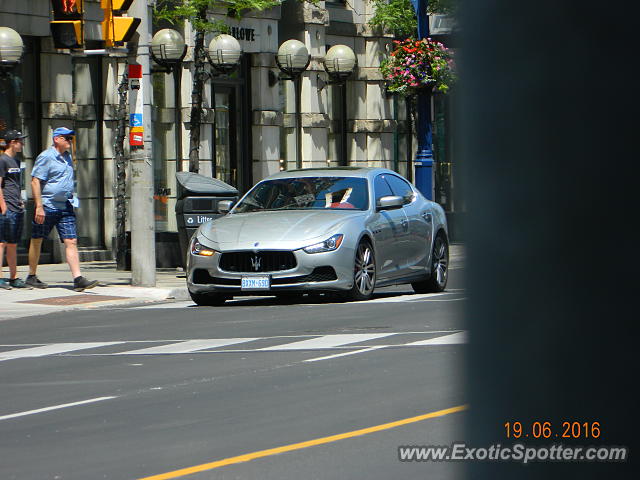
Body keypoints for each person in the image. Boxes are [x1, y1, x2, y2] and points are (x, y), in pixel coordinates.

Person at [26, 127, 99, 291]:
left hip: (65, 205)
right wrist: (39, 206)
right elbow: (35, 181)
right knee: (37, 240)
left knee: (71, 241)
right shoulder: (46, 157)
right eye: (67, 138)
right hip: (47, 205)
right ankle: (31, 275)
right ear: (57, 139)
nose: (70, 141)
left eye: (71, 138)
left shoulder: (67, 157)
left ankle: (78, 279)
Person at [0, 130, 30, 289]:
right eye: (20, 141)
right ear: (12, 142)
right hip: (6, 208)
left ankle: (14, 277)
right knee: (1, 243)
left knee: (12, 243)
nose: (22, 144)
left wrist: (20, 201)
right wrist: (2, 205)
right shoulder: (2, 160)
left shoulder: (16, 162)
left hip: (16, 207)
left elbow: (16, 185)